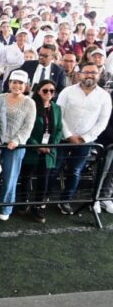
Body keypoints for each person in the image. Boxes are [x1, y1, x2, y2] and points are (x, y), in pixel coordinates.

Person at [55, 61, 112, 214]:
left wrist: (85, 138)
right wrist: (68, 135)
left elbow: (102, 122)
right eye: (86, 72)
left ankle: (65, 201)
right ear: (80, 74)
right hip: (62, 138)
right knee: (54, 169)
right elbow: (58, 115)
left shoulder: (104, 97)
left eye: (93, 72)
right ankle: (43, 200)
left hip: (86, 142)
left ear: (98, 75)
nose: (89, 75)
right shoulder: (67, 91)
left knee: (75, 171)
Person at [0, 70, 35, 221]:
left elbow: (28, 126)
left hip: (15, 146)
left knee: (10, 177)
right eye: (14, 82)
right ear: (9, 83)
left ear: (26, 85)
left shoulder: (29, 102)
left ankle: (6, 208)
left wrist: (17, 140)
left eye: (20, 83)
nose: (17, 85)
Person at [20, 80, 63, 223]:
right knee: (26, 176)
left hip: (49, 151)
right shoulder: (30, 105)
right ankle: (23, 201)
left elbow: (58, 130)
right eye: (45, 90)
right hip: (32, 149)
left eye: (52, 91)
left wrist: (52, 145)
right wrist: (36, 145)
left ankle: (38, 206)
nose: (49, 93)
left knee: (44, 179)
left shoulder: (56, 108)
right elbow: (26, 128)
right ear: (38, 91)